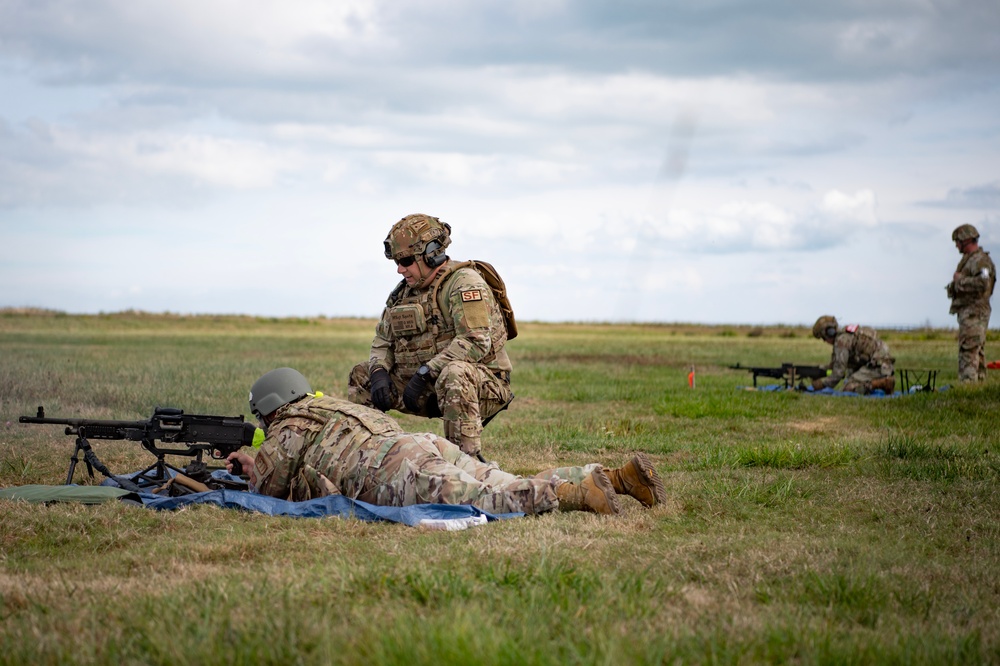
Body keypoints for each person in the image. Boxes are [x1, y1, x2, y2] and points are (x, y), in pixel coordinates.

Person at [227, 368, 666, 517]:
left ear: (270, 406)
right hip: (422, 446)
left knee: (486, 499)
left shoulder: (289, 425)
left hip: (393, 468)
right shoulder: (331, 407)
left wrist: (250, 467)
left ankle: (574, 495)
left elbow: (267, 492)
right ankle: (617, 478)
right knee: (501, 479)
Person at [348, 214, 513, 459]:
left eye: (405, 260)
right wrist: (379, 372)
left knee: (454, 373)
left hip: (479, 386)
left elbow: (475, 341)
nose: (399, 269)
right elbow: (383, 341)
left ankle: (465, 463)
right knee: (362, 375)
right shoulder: (403, 294)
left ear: (432, 253)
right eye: (397, 261)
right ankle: (372, 459)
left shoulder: (465, 283)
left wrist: (426, 373)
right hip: (425, 387)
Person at [946, 224, 996, 382]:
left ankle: (968, 385)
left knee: (969, 350)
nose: (956, 246)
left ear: (965, 240)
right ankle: (978, 388)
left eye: (958, 241)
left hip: (975, 312)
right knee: (976, 351)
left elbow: (983, 283)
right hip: (970, 312)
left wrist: (960, 281)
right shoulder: (971, 261)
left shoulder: (980, 261)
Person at [810, 316, 895, 394]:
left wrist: (823, 384)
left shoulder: (841, 341)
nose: (824, 341)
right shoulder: (844, 336)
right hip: (880, 363)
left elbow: (839, 373)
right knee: (849, 378)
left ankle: (883, 383)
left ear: (829, 333)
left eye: (823, 338)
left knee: (848, 389)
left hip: (879, 365)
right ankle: (877, 383)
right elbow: (835, 364)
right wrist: (817, 371)